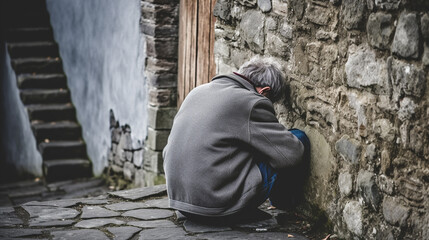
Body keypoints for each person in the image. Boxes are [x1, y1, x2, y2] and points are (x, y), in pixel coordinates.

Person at [163, 57, 310, 222]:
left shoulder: (198, 91)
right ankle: (283, 204)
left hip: (181, 201)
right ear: (265, 91)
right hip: (214, 205)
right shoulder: (252, 101)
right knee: (298, 138)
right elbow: (291, 154)